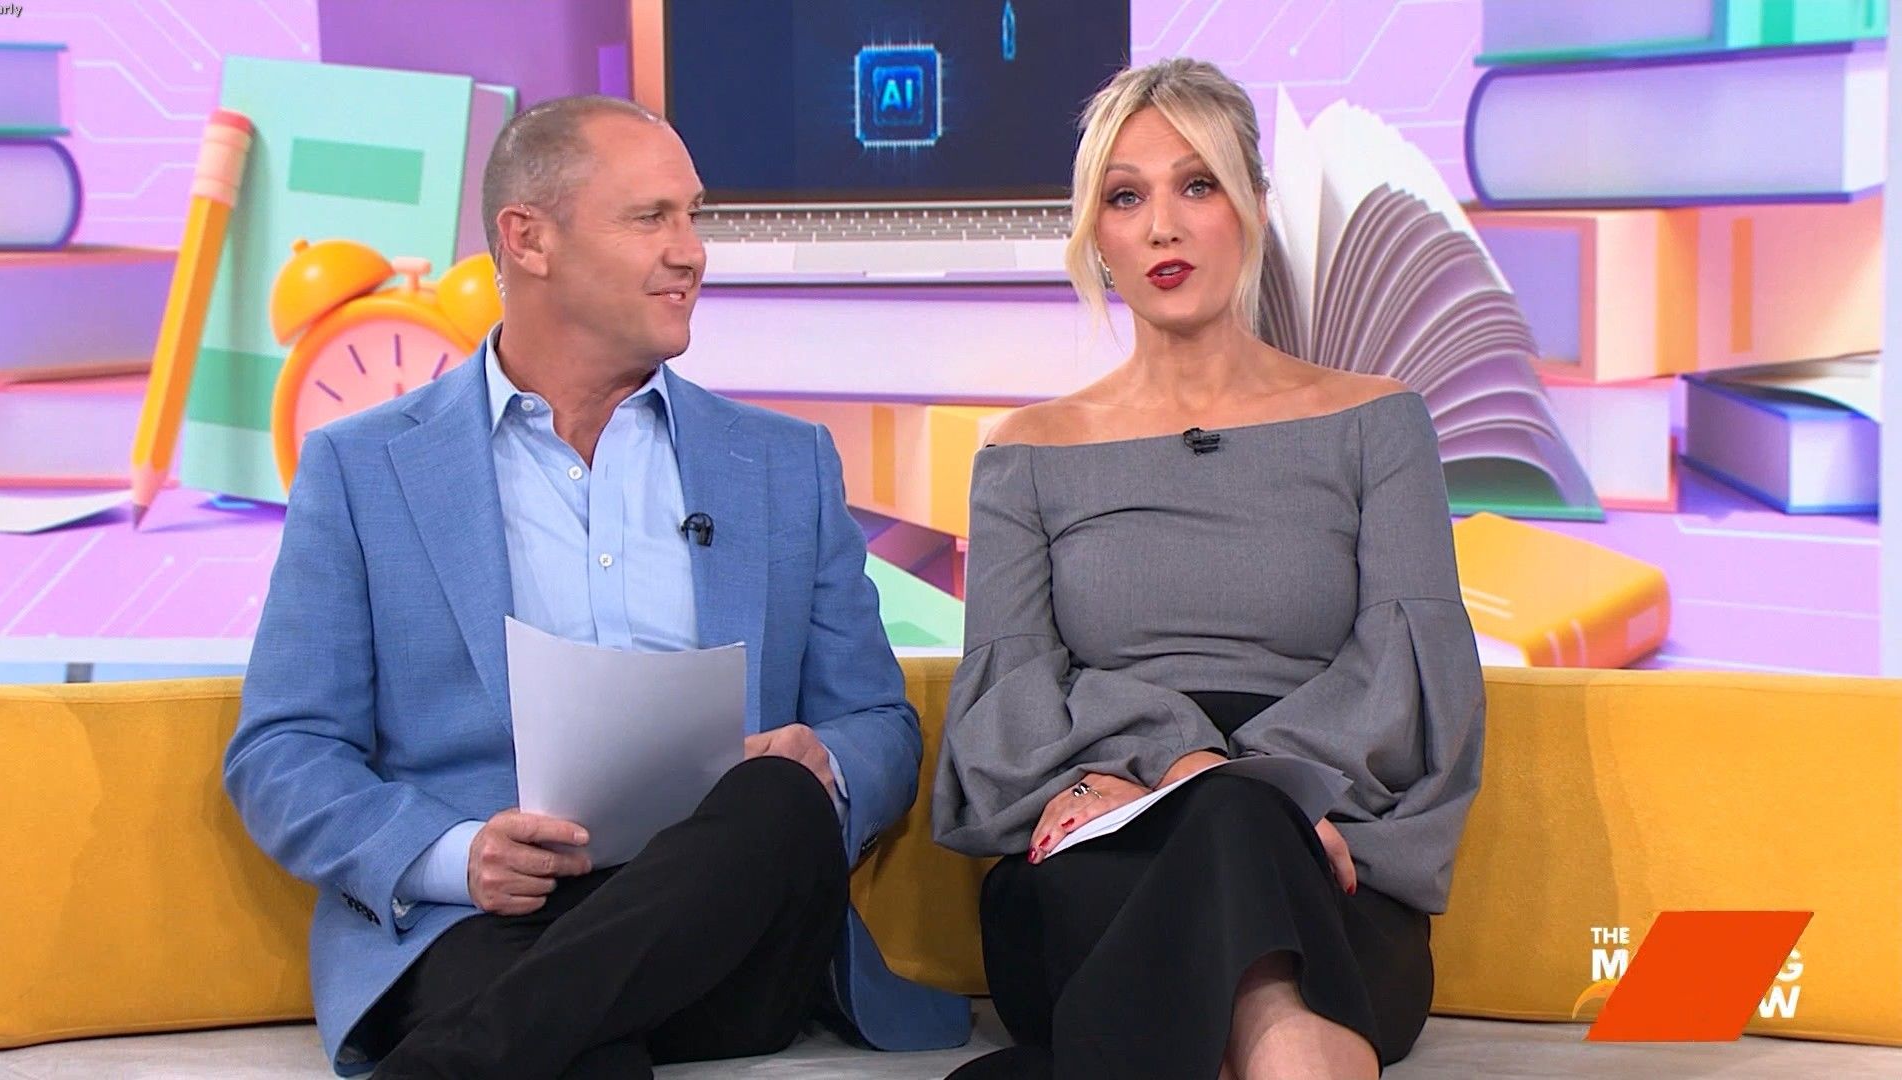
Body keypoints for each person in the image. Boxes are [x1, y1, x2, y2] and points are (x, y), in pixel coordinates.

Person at [224, 95, 968, 1080]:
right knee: (577, 1053)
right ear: (527, 239)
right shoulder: (362, 470)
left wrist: (823, 761)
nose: (691, 252)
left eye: (693, 216)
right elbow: (283, 752)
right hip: (489, 921)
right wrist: (459, 855)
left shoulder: (784, 464)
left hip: (731, 922)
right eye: (651, 217)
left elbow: (878, 724)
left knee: (780, 797)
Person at [932, 59, 1485, 1080]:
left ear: (1255, 206)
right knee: (1230, 821)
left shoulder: (1378, 422)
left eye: (1197, 185)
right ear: (1095, 235)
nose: (1162, 228)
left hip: (1325, 852)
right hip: (1106, 855)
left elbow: (1413, 682)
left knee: (1239, 823)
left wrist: (1253, 792)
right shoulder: (1026, 451)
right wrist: (1180, 765)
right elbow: (1004, 707)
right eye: (1125, 197)